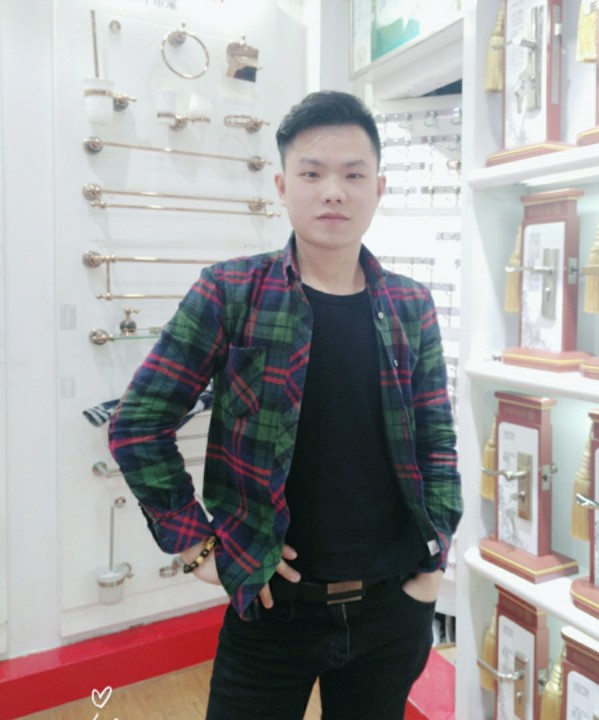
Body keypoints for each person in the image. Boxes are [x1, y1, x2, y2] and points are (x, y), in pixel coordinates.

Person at [108, 89, 462, 720]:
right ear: (282, 186)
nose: (334, 192)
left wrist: (434, 559)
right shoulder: (231, 292)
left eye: (354, 175)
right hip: (272, 607)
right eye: (312, 173)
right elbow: (138, 426)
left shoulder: (411, 305)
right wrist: (196, 547)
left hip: (392, 608)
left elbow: (436, 440)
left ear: (379, 188)